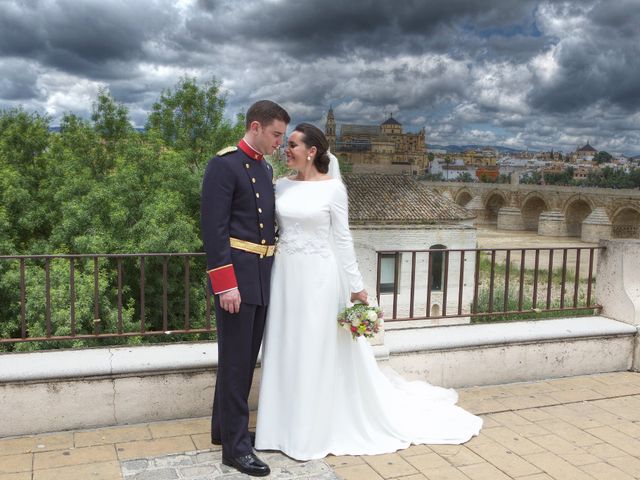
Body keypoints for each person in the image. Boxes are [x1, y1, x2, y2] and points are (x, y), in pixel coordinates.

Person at [255, 123, 482, 461]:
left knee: (315, 348)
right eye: (286, 144)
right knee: (286, 343)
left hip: (319, 278)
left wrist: (357, 287)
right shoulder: (280, 186)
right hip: (285, 275)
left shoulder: (333, 190)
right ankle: (279, 426)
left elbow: (343, 240)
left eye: (292, 144)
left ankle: (310, 429)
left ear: (312, 151)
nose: (285, 149)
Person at [201, 100, 290, 477]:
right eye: (276, 135)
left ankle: (224, 430)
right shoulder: (224, 165)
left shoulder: (265, 168)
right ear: (256, 126)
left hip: (261, 275)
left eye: (283, 137)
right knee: (237, 363)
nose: (280, 144)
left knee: (239, 361)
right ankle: (236, 450)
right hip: (236, 279)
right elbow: (214, 230)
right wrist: (225, 285)